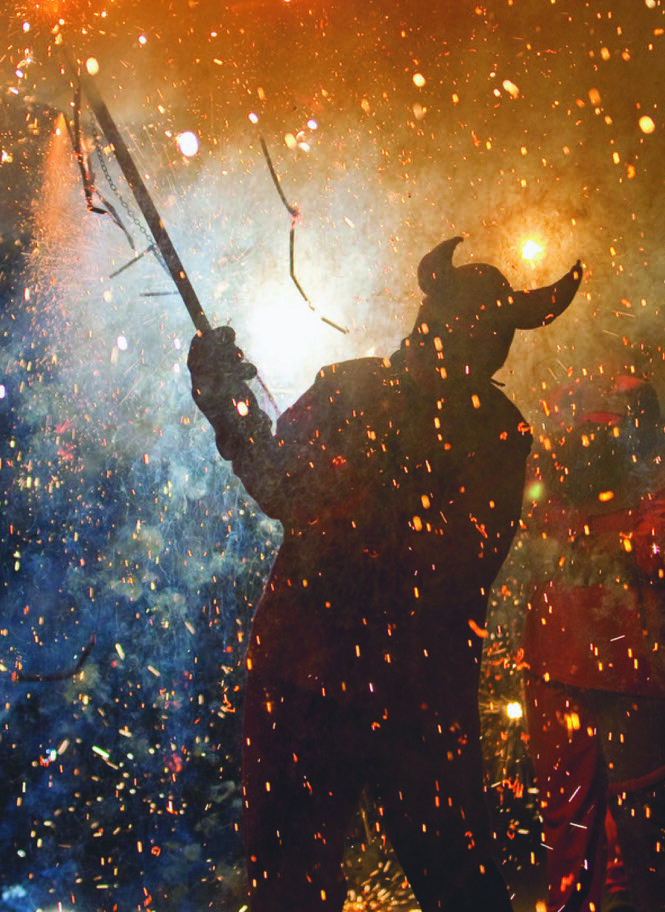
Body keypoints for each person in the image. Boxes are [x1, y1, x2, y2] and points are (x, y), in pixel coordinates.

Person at [187, 236, 582, 912]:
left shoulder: (474, 427)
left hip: (364, 683)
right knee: (317, 885)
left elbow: (449, 559)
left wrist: (237, 409)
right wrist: (232, 403)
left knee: (411, 883)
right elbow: (290, 490)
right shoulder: (396, 400)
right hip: (354, 682)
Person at [519, 374, 665, 912]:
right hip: (595, 661)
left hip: (624, 662)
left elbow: (660, 547)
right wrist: (614, 526)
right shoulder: (663, 459)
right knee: (610, 824)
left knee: (630, 825)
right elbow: (540, 523)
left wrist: (582, 527)